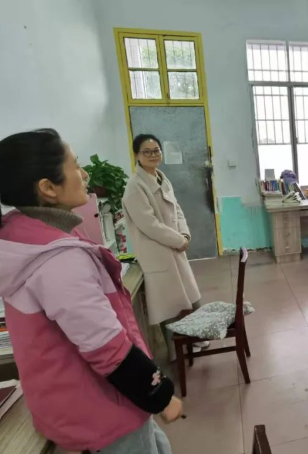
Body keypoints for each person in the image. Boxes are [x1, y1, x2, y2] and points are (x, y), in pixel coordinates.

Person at [0, 129, 181, 453]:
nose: (85, 175)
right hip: (102, 409)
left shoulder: (28, 236)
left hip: (98, 401)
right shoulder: (57, 259)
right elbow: (105, 345)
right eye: (75, 165)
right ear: (48, 188)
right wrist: (160, 395)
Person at [123, 134, 207, 357]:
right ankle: (175, 352)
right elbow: (149, 225)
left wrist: (185, 234)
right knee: (169, 305)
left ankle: (194, 338)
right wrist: (178, 240)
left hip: (174, 247)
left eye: (156, 150)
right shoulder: (135, 187)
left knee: (188, 297)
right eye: (147, 151)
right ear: (137, 155)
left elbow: (176, 209)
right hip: (158, 253)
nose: (153, 155)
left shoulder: (161, 178)